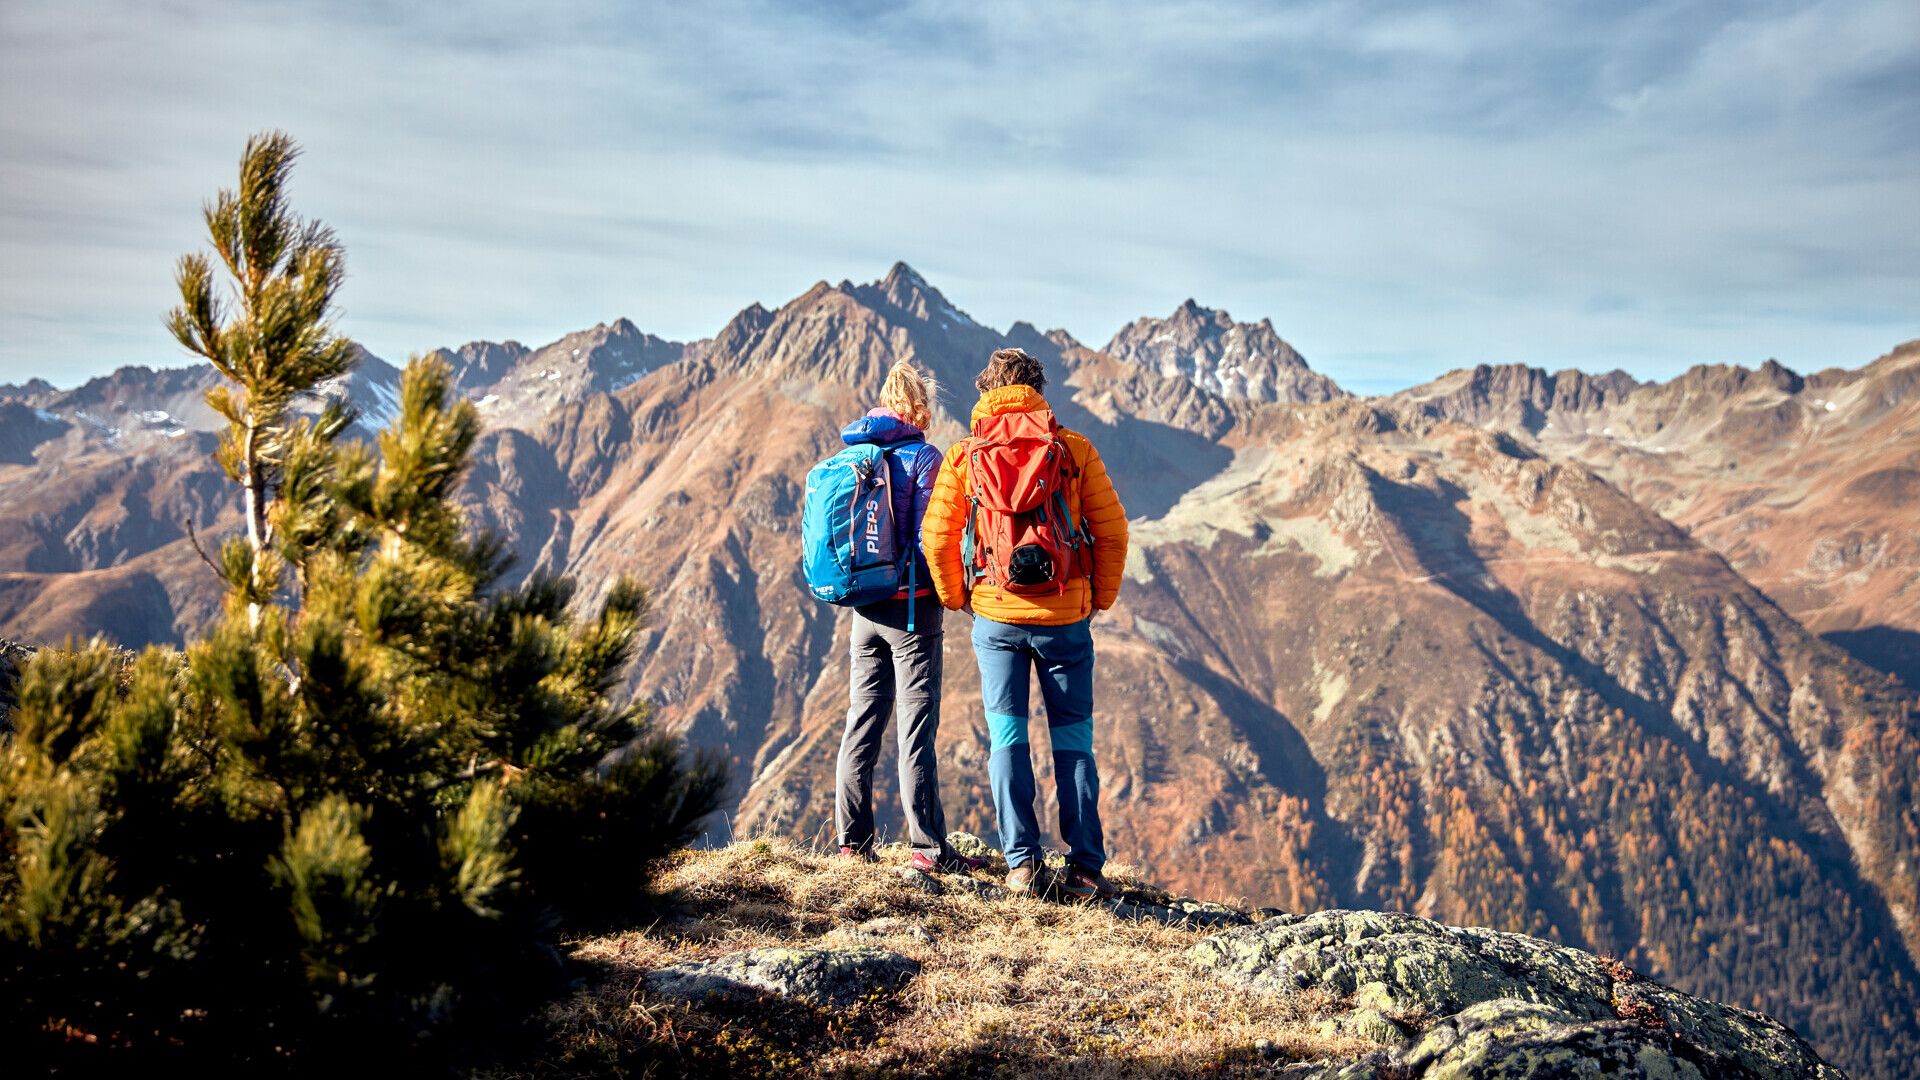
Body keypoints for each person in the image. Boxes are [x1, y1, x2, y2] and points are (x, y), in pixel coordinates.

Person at [921, 348, 1129, 899]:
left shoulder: (965, 455)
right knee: (1074, 743)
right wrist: (1098, 599)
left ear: (987, 390)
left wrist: (958, 595)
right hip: (1066, 618)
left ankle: (1021, 865)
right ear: (1037, 388)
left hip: (995, 616)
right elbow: (1112, 532)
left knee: (1007, 741)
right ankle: (1084, 869)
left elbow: (938, 536)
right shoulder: (1073, 449)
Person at [834, 360, 990, 874]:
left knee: (863, 722)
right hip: (911, 610)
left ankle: (853, 844)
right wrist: (954, 595)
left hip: (864, 607)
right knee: (915, 731)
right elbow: (930, 538)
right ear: (920, 406)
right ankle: (927, 848)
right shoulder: (923, 458)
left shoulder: (858, 452)